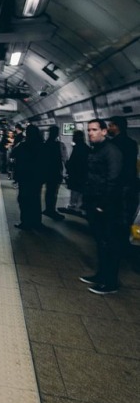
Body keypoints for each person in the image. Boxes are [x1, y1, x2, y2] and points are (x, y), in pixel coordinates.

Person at [80, 119, 123, 295]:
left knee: (108, 243)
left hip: (106, 207)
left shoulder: (111, 151)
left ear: (104, 132)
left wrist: (102, 205)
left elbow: (114, 180)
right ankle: (101, 275)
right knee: (100, 242)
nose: (91, 133)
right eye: (89, 130)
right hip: (94, 203)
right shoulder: (96, 149)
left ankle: (111, 282)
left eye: (95, 130)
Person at [107, 116, 139, 237]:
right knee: (127, 214)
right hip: (130, 183)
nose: (109, 128)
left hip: (116, 184)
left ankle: (115, 242)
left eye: (110, 125)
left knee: (115, 214)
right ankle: (125, 239)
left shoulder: (112, 144)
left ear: (116, 127)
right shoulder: (132, 143)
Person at [14, 124, 45, 229]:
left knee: (23, 200)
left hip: (24, 177)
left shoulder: (22, 145)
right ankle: (37, 222)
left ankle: (25, 222)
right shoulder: (42, 145)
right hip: (37, 178)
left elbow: (13, 155)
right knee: (35, 200)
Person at [59, 129, 90, 216]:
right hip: (83, 174)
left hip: (76, 174)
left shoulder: (77, 148)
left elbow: (73, 162)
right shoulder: (86, 148)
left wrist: (68, 168)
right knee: (80, 191)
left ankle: (74, 207)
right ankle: (78, 207)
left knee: (75, 191)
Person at [42, 125, 68, 220]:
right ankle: (51, 210)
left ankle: (48, 208)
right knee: (53, 192)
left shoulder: (44, 144)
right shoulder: (60, 145)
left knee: (48, 190)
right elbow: (65, 159)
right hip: (56, 172)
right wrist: (67, 171)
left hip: (46, 172)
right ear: (57, 133)